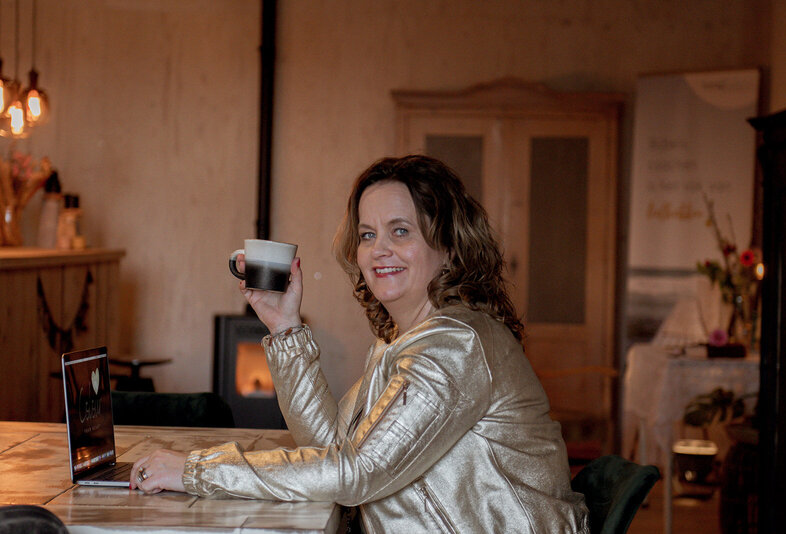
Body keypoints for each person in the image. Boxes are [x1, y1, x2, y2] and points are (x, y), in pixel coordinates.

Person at [130, 155, 589, 533]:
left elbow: (356, 473)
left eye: (400, 231)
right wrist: (284, 327)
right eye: (368, 235)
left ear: (449, 245)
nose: (378, 249)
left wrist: (196, 471)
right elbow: (333, 445)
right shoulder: (399, 340)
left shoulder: (456, 344)